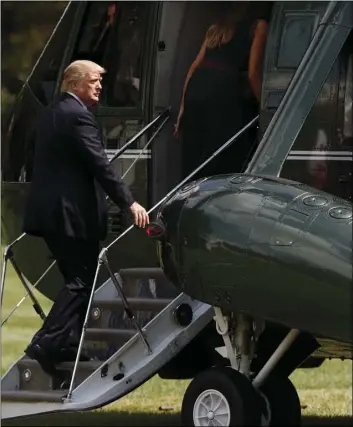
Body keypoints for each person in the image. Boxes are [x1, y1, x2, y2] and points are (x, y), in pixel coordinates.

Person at [22, 59, 149, 379]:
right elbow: (101, 166)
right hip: (71, 216)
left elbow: (30, 154)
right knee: (81, 282)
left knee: (76, 281)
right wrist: (129, 203)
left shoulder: (49, 113)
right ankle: (47, 343)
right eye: (94, 81)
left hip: (48, 213)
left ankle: (66, 345)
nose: (100, 86)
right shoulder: (79, 116)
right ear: (76, 83)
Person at [174, 2, 268, 181]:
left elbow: (194, 66)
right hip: (223, 90)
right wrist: (266, 108)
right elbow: (253, 73)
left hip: (197, 88)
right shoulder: (259, 26)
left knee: (196, 153)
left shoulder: (215, 29)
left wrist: (182, 107)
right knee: (226, 153)